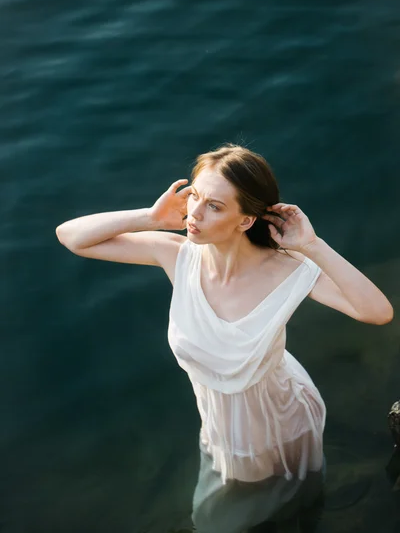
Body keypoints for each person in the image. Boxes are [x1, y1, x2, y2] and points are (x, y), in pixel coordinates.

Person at [56, 143, 393, 533]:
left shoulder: (289, 271)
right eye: (194, 197)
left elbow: (378, 312)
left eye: (214, 206)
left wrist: (312, 246)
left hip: (270, 427)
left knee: (227, 520)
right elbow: (71, 236)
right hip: (218, 423)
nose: (193, 214)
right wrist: (150, 217)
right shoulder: (177, 254)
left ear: (245, 221)